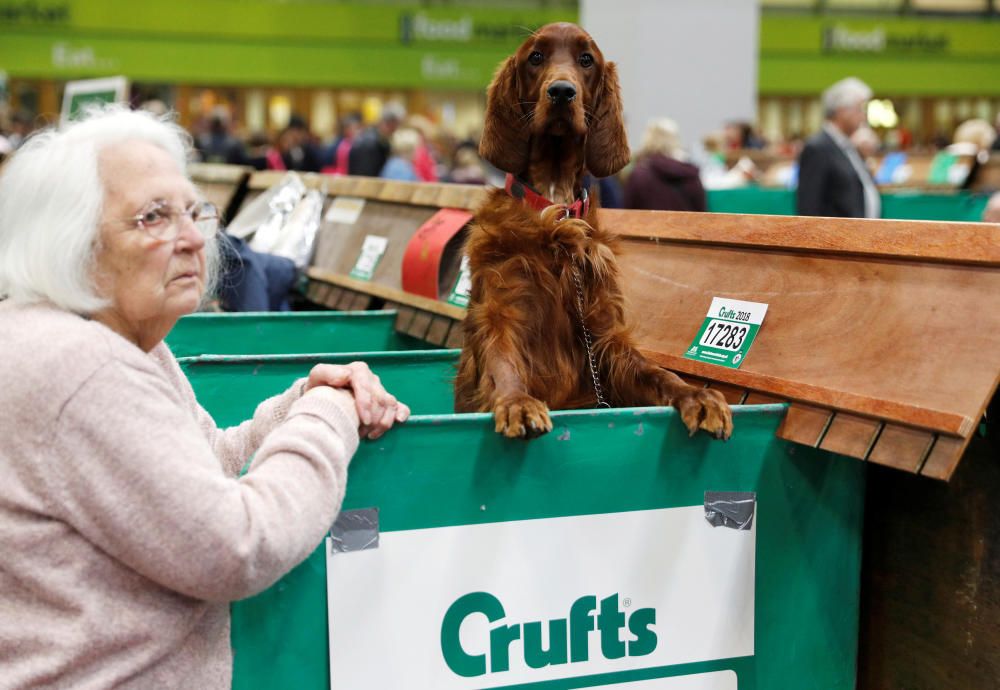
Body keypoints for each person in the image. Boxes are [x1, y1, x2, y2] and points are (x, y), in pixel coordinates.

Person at [0, 105, 409, 688]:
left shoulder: (108, 338)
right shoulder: (81, 366)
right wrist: (331, 413)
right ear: (75, 243)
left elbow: (198, 463)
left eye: (194, 212)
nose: (193, 238)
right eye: (152, 218)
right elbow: (239, 544)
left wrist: (299, 401)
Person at [796, 77, 881, 218]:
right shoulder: (818, 148)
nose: (863, 116)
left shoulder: (846, 145)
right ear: (842, 111)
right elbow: (809, 207)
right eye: (860, 109)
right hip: (836, 237)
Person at [623, 117, 706, 212]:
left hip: (648, 226)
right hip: (684, 226)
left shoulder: (639, 174)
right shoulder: (690, 173)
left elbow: (628, 211)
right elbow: (701, 211)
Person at [348, 104, 404, 177]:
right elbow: (365, 176)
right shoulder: (370, 143)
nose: (397, 129)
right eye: (398, 124)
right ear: (392, 123)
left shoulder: (374, 137)